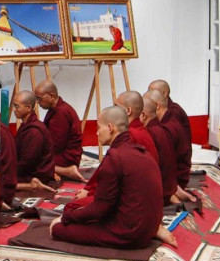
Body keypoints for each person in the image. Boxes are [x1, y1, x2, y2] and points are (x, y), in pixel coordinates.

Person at [49, 107, 163, 249]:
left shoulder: (116, 157)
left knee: (57, 229)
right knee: (77, 210)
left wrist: (67, 218)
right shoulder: (142, 151)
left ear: (110, 128)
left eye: (98, 128)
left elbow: (100, 208)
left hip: (129, 234)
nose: (96, 133)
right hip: (148, 228)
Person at [148, 79, 195, 203]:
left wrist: (171, 187)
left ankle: (172, 193)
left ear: (164, 94)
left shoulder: (172, 118)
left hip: (177, 177)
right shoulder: (165, 118)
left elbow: (166, 159)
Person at [34, 80, 85, 182]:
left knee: (29, 165)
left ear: (51, 96)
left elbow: (56, 145)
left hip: (67, 157)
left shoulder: (61, 113)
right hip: (61, 154)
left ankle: (66, 170)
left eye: (39, 99)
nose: (38, 103)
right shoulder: (56, 108)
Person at [12, 90, 57, 195]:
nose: (14, 110)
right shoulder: (27, 125)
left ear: (28, 108)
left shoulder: (34, 132)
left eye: (17, 106)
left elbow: (27, 163)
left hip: (35, 175)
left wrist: (7, 171)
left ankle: (30, 186)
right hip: (28, 171)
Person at [142, 89, 178, 205]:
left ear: (143, 115)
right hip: (169, 188)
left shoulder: (150, 133)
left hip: (160, 193)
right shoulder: (159, 128)